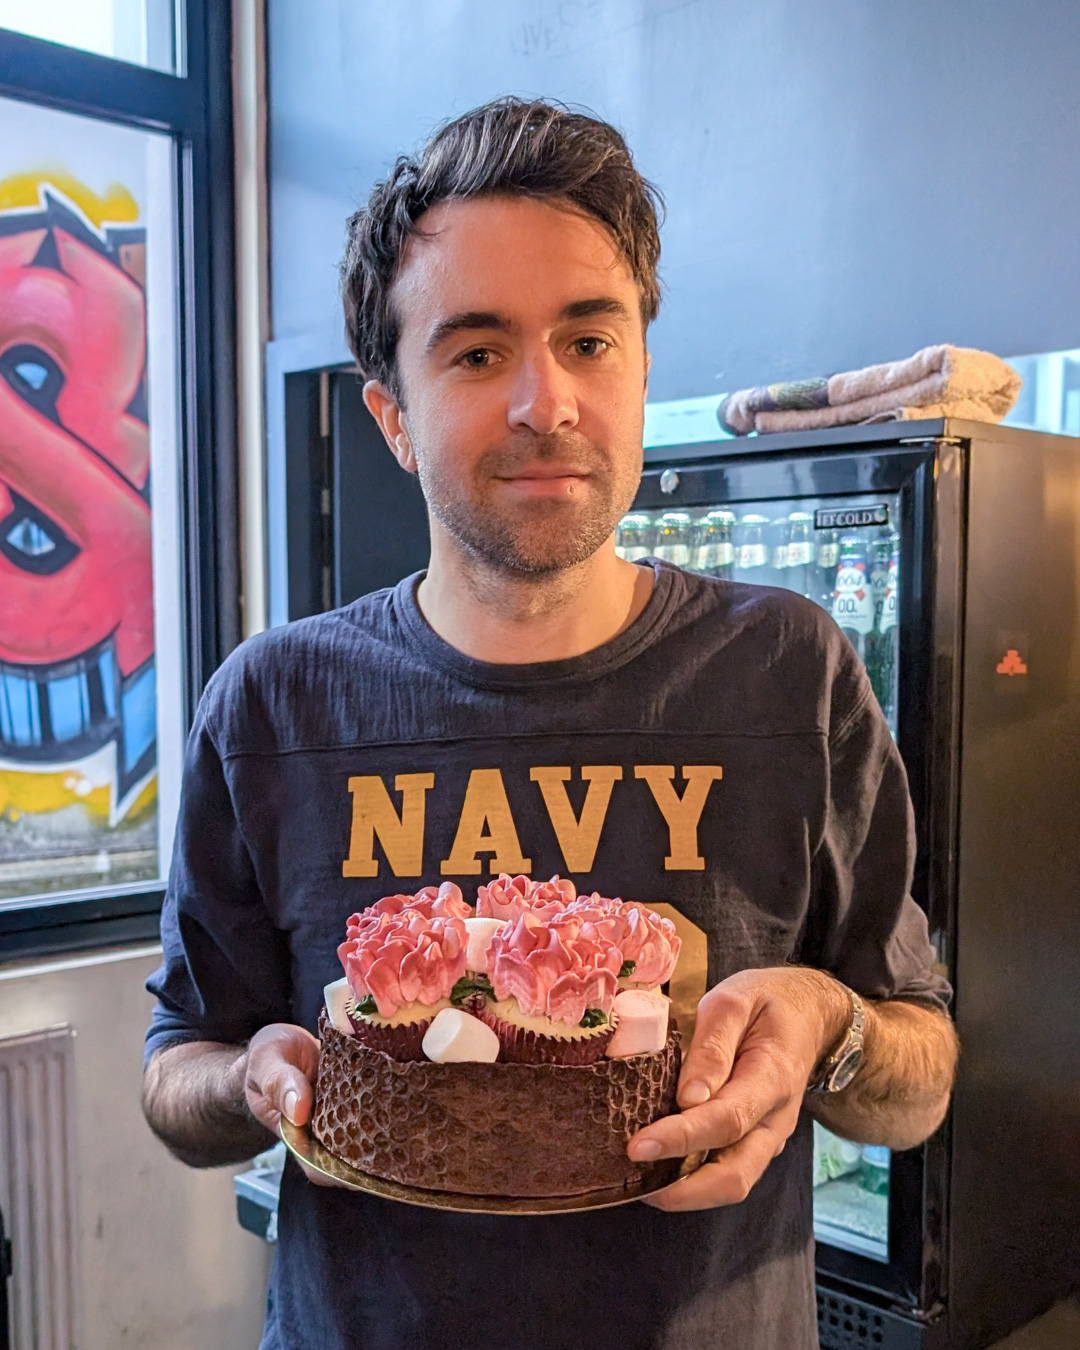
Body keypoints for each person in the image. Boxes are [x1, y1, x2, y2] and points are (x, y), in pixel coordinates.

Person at [142, 97, 957, 1350]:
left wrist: (831, 1027)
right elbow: (174, 1071)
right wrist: (258, 1075)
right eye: (476, 353)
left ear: (637, 363)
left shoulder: (791, 672)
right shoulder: (272, 705)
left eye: (590, 339)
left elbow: (920, 1076)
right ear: (393, 416)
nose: (547, 402)